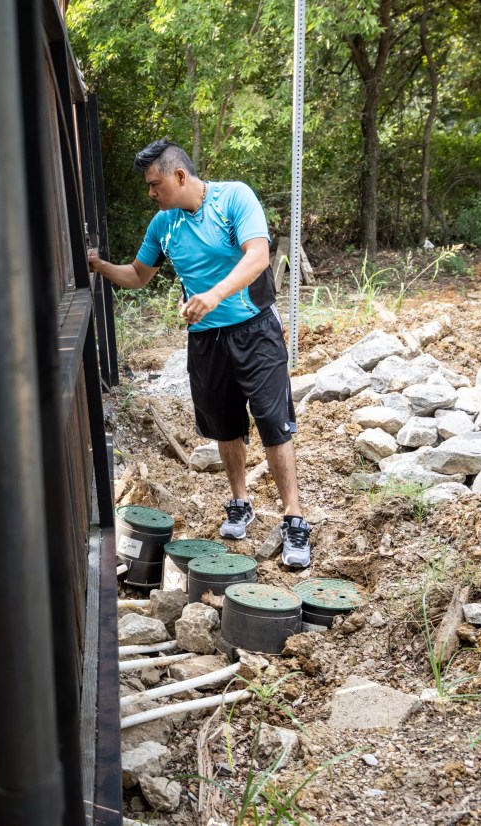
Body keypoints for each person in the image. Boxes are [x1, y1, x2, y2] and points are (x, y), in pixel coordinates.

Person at [87, 139, 311, 568]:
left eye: (155, 184)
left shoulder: (233, 198)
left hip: (255, 330)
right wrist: (99, 266)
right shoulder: (162, 225)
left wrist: (213, 294)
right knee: (226, 426)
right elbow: (137, 275)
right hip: (206, 342)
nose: (151, 193)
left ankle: (294, 518)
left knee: (272, 421)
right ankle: (240, 503)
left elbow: (258, 256)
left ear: (179, 176)